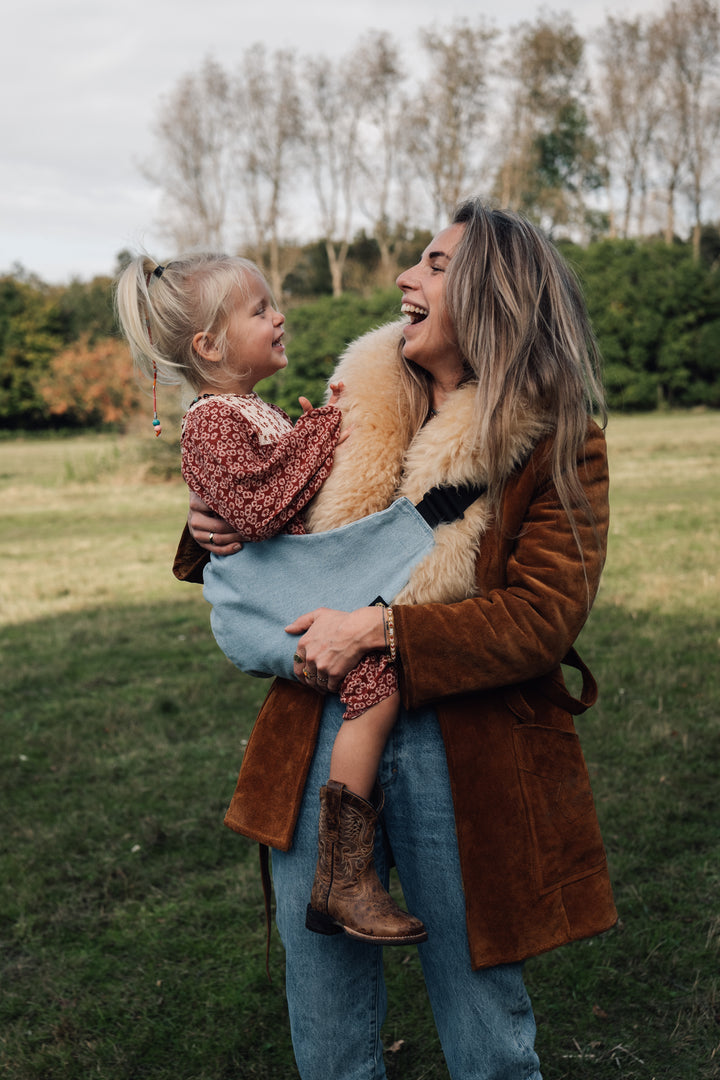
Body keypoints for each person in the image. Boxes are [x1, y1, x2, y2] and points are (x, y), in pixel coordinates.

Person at [173, 201, 617, 1080]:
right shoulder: (361, 408)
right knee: (326, 1007)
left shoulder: (561, 442)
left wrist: (381, 628)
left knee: (482, 1011)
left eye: (434, 264)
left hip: (470, 749)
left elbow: (542, 618)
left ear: (495, 294)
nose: (405, 281)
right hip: (317, 733)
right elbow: (284, 532)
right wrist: (205, 525)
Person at [115, 252, 428, 947]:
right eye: (259, 310)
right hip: (289, 600)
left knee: (379, 686)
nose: (279, 316)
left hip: (309, 585)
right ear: (209, 346)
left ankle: (345, 875)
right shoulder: (211, 422)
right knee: (377, 689)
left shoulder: (246, 411)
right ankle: (344, 877)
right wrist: (324, 430)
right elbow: (258, 510)